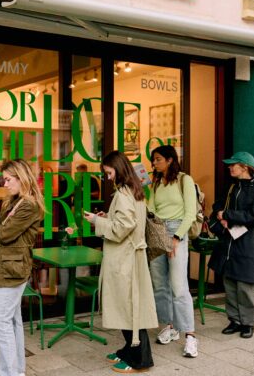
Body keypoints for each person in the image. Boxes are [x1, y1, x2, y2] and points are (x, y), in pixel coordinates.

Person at [84, 151, 157, 372]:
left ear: (118, 168)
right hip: (129, 257)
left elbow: (123, 228)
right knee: (129, 307)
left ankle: (140, 360)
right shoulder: (133, 191)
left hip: (125, 259)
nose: (107, 177)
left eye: (108, 172)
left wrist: (96, 220)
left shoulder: (124, 193)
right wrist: (109, 218)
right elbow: (127, 222)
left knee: (130, 308)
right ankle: (129, 349)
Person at [0, 159, 44, 376]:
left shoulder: (28, 205)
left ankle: (10, 373)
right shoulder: (17, 201)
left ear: (22, 178)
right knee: (12, 320)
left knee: (0, 322)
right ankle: (13, 370)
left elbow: (5, 234)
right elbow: (3, 229)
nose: (5, 184)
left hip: (14, 269)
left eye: (9, 180)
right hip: (11, 267)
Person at [145, 145, 199, 357]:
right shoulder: (156, 182)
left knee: (178, 286)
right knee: (159, 285)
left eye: (158, 159)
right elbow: (151, 209)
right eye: (154, 160)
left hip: (177, 231)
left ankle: (191, 335)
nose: (155, 163)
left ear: (169, 160)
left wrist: (175, 238)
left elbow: (190, 213)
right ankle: (170, 325)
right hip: (158, 231)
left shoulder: (185, 179)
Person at [209, 152, 254, 339]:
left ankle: (248, 323)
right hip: (229, 241)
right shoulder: (231, 186)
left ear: (244, 167)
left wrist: (226, 215)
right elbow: (216, 208)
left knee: (244, 285)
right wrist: (221, 222)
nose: (229, 168)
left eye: (233, 165)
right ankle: (234, 320)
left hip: (249, 243)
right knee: (230, 282)